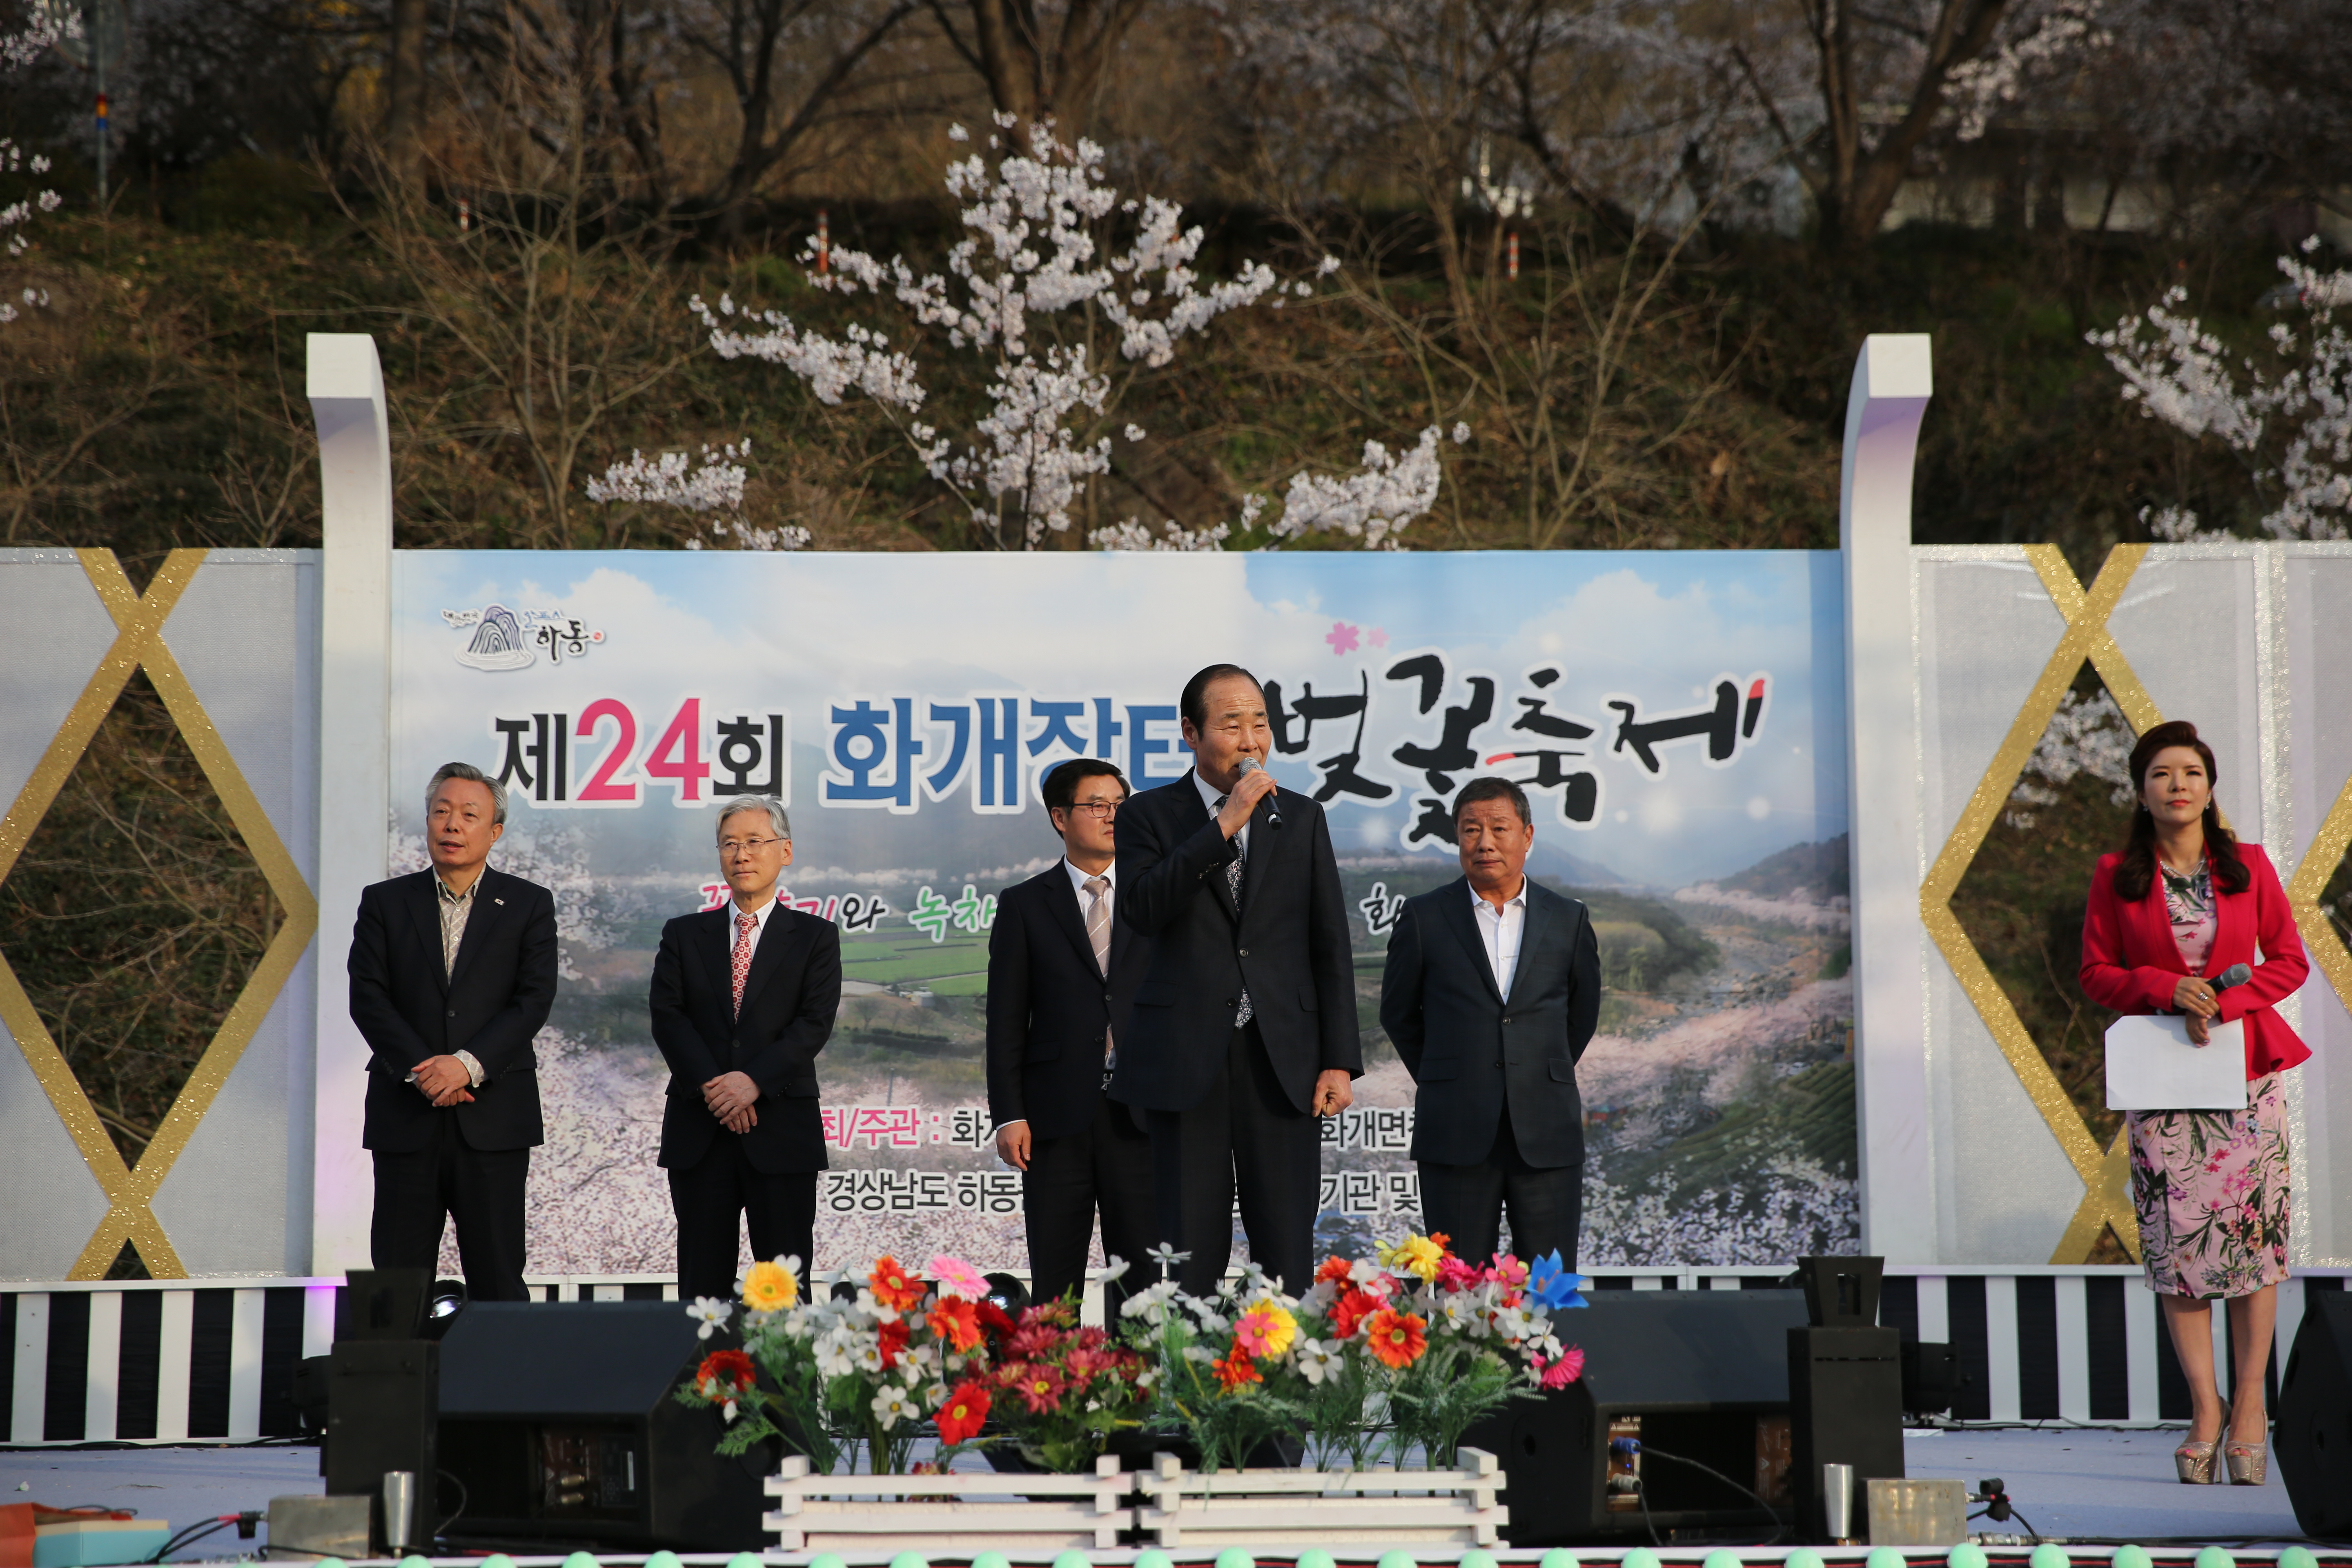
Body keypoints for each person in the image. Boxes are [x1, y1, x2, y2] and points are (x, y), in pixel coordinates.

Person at [2080, 719, 2309, 1488]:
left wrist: (2228, 1001)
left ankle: (2250, 1405)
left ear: (2209, 790)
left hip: (2244, 1077)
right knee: (2177, 1249)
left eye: (2191, 774)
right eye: (2161, 775)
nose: (2177, 786)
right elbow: (2097, 972)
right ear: (2141, 794)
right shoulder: (2117, 874)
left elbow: (2289, 961)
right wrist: (2162, 988)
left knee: (2254, 1241)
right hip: (2165, 1084)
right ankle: (2203, 1408)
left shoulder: (2247, 867)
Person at [1114, 663, 1361, 1295]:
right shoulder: (1147, 816)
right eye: (1232, 724)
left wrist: (1339, 1060)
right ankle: (1190, 1388)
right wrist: (1224, 825)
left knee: (1284, 1250)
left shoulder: (1301, 817)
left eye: (1260, 723)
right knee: (1186, 1253)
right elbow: (1142, 908)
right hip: (1184, 1059)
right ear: (1191, 733)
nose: (1251, 740)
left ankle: (1287, 1383)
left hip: (1283, 1060)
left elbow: (1328, 942)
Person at [349, 762, 558, 1302]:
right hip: (406, 1114)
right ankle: (393, 1387)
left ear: (494, 832)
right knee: (396, 1285)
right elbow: (367, 998)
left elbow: (533, 1000)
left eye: (469, 815)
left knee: (498, 1278)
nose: (452, 824)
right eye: (442, 811)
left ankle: (500, 1387)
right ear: (427, 822)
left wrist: (464, 1064)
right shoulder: (386, 903)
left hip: (494, 1119)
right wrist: (426, 1070)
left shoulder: (529, 905)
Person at [1379, 777, 1601, 1268]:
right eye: (1470, 830)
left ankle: (1543, 1351)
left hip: (1545, 1131)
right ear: (1457, 838)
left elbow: (1581, 1015)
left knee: (1546, 1288)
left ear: (1527, 835)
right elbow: (1398, 1013)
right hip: (1455, 1130)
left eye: (1499, 828)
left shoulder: (1569, 919)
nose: (1485, 842)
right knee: (1457, 1287)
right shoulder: (1423, 917)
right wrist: (1450, 1075)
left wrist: (1533, 1070)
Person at [649, 797, 842, 1304]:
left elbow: (813, 1024)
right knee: (701, 1288)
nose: (741, 855)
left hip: (781, 1129)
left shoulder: (816, 937)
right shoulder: (684, 934)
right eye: (730, 844)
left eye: (755, 842)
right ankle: (699, 1383)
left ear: (786, 852)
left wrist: (751, 1083)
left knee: (783, 1289)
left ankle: (786, 1387)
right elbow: (668, 1018)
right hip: (701, 1129)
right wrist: (719, 1091)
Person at [986, 758, 1157, 1316]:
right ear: (1060, 817)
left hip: (1144, 1112)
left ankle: (1139, 1399)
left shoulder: (1156, 896)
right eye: (1096, 805)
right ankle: (1055, 1399)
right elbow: (1007, 1018)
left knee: (1142, 1283)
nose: (1112, 816)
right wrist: (1009, 1114)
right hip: (1055, 1118)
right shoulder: (1024, 904)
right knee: (1056, 1282)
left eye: (1120, 804)